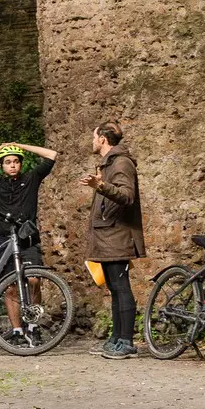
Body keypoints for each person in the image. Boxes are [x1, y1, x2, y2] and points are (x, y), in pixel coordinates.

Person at [0, 139, 58, 339]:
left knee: (33, 280)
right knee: (11, 287)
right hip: (4, 238)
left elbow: (51, 155)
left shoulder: (31, 178)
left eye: (16, 161)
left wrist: (21, 146)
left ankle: (33, 326)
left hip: (27, 237)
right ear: (1, 165)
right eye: (7, 162)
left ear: (21, 163)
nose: (12, 165)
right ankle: (16, 330)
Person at [83, 123, 145, 359]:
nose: (92, 141)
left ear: (102, 139)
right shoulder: (109, 163)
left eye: (93, 136)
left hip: (117, 235)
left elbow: (127, 196)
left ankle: (126, 342)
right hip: (108, 234)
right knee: (114, 289)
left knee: (121, 287)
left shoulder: (121, 162)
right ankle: (116, 339)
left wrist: (100, 185)